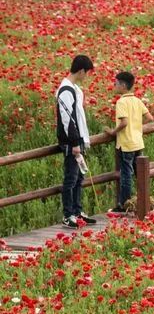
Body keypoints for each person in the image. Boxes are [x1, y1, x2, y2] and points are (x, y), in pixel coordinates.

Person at [56, 55, 97, 229]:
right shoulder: (66, 90)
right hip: (71, 141)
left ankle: (77, 211)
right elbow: (68, 119)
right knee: (71, 178)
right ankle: (68, 214)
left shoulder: (74, 88)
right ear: (81, 71)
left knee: (79, 177)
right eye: (86, 73)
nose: (86, 76)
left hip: (78, 139)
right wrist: (74, 143)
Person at [106, 71, 154, 212]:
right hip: (137, 141)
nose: (114, 85)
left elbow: (124, 122)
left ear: (122, 85)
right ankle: (144, 201)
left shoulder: (121, 102)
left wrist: (112, 132)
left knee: (126, 175)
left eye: (116, 83)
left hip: (126, 143)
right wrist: (137, 126)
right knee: (139, 174)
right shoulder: (137, 100)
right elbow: (150, 118)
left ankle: (124, 205)